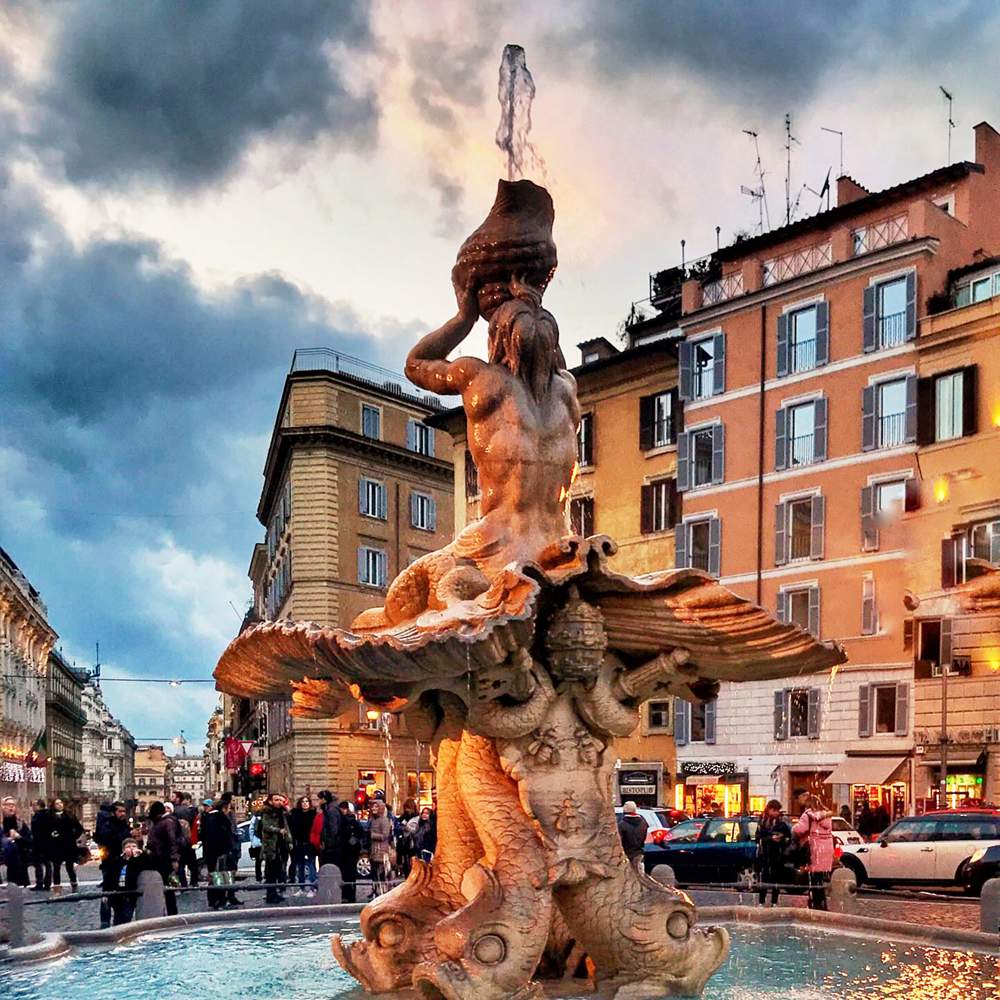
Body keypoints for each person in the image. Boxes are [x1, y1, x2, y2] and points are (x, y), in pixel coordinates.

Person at [200, 793, 242, 910]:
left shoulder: (207, 817)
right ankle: (220, 900)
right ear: (225, 807)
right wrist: (226, 850)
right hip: (220, 853)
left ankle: (214, 900)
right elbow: (224, 836)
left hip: (210, 852)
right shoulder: (220, 818)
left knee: (214, 876)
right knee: (221, 877)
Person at [792, 795, 834, 910]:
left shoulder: (808, 814)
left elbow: (800, 829)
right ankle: (822, 903)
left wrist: (793, 827)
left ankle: (814, 902)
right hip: (826, 848)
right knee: (819, 878)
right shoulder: (827, 815)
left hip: (814, 847)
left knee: (813, 878)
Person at [95, 800, 130, 927]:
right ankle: (105, 921)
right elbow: (107, 839)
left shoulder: (123, 825)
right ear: (114, 812)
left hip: (122, 865)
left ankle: (119, 920)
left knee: (121, 892)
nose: (122, 814)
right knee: (108, 892)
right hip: (110, 864)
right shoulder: (108, 825)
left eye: (124, 811)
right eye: (120, 811)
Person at [145, 801, 181, 915]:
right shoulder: (162, 822)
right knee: (164, 888)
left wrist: (174, 859)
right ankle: (167, 912)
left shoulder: (167, 823)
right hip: (160, 858)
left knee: (168, 889)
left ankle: (171, 914)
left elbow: (173, 841)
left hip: (164, 860)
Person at [754, 800, 792, 906]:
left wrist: (783, 839)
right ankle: (762, 901)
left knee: (776, 879)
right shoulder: (762, 822)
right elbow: (758, 838)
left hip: (777, 855)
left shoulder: (781, 823)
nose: (776, 813)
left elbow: (788, 837)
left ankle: (774, 902)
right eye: (774, 810)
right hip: (765, 854)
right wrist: (771, 838)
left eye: (777, 811)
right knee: (764, 878)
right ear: (769, 809)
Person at [105, 838, 148, 925]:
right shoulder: (117, 861)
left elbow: (136, 869)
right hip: (118, 893)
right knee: (118, 917)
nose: (131, 848)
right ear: (123, 850)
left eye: (134, 846)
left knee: (128, 915)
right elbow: (109, 877)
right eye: (128, 846)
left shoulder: (140, 859)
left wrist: (138, 856)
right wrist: (106, 892)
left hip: (132, 892)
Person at [47, 797, 83, 894]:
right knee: (56, 867)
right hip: (56, 845)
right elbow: (46, 830)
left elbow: (79, 828)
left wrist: (73, 837)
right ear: (53, 806)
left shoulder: (70, 815)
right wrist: (51, 835)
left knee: (69, 867)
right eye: (57, 803)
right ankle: (57, 889)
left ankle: (74, 884)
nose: (59, 805)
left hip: (68, 845)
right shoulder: (50, 816)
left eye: (61, 803)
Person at [261, 793, 292, 904]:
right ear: (270, 801)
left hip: (281, 845)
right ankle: (271, 894)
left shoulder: (281, 812)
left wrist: (286, 806)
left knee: (279, 870)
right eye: (276, 800)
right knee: (271, 872)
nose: (279, 802)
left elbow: (289, 816)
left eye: (280, 800)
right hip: (272, 846)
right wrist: (278, 830)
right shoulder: (267, 812)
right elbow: (266, 826)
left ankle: (276, 892)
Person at [288, 794, 317, 895]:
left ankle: (313, 888)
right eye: (303, 802)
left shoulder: (313, 814)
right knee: (300, 866)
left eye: (306, 801)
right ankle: (301, 887)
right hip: (299, 844)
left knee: (311, 865)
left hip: (310, 844)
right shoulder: (296, 814)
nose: (305, 804)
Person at [1, 797, 33, 887]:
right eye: (8, 805)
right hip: (5, 861)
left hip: (20, 862)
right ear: (3, 807)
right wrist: (6, 841)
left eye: (13, 805)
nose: (11, 807)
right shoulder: (1, 824)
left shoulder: (20, 824)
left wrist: (19, 837)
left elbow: (29, 842)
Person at [336, 801, 362, 904]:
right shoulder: (341, 821)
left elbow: (360, 834)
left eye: (344, 808)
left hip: (351, 852)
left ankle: (350, 895)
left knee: (350, 875)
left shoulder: (353, 822)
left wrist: (354, 840)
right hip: (344, 851)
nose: (343, 810)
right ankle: (346, 895)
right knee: (344, 874)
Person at [171, 791, 199, 887]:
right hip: (188, 840)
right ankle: (194, 882)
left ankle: (183, 883)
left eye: (173, 796)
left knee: (180, 864)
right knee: (192, 863)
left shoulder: (175, 811)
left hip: (179, 841)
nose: (171, 798)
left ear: (178, 798)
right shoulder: (189, 810)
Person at [368, 798, 394, 897]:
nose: (374, 808)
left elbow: (385, 835)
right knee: (374, 873)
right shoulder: (372, 820)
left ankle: (384, 891)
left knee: (382, 873)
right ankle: (376, 890)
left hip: (381, 851)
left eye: (376, 806)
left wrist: (373, 835)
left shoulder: (384, 820)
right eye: (373, 806)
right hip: (374, 850)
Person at [617, 801, 648, 869]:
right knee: (639, 876)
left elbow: (619, 842)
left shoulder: (622, 825)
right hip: (639, 854)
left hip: (626, 856)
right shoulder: (643, 823)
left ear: (624, 811)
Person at [315, 789, 341, 869]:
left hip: (331, 847)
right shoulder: (329, 809)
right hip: (331, 845)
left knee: (329, 867)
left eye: (319, 799)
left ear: (324, 799)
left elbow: (333, 829)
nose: (318, 801)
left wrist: (328, 844)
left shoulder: (331, 810)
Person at [29, 799, 52, 891]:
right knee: (48, 864)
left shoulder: (37, 816)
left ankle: (39, 883)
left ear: (39, 806)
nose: (33, 807)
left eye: (34, 805)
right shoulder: (49, 815)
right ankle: (47, 884)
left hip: (39, 844)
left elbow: (35, 831)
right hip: (48, 844)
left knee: (38, 864)